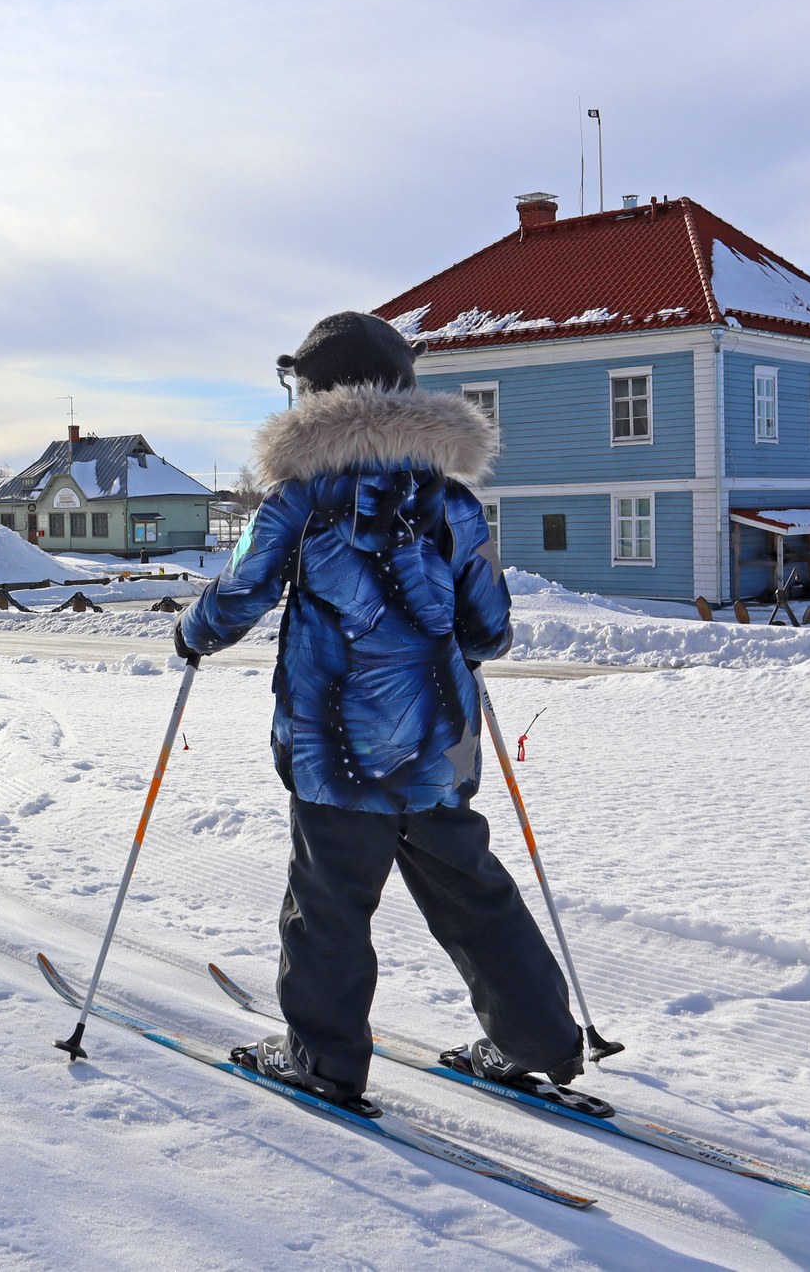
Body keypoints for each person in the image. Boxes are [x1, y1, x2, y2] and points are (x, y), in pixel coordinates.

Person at [174, 311, 585, 1118]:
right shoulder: (454, 502)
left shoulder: (296, 497)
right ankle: (535, 1042)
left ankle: (323, 1058)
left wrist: (193, 634)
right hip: (437, 750)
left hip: (335, 753)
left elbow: (242, 593)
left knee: (328, 904)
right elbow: (491, 630)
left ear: (310, 394)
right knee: (474, 897)